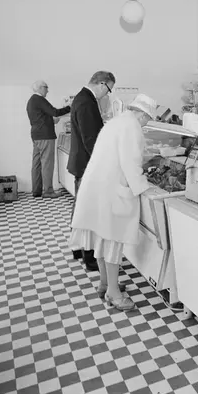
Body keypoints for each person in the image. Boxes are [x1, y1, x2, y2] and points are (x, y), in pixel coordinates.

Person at [69, 94, 159, 311]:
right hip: (112, 192)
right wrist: (144, 186)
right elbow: (131, 163)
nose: (147, 123)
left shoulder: (117, 122)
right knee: (113, 241)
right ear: (141, 114)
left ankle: (104, 283)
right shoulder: (132, 127)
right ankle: (113, 293)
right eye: (148, 118)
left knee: (102, 238)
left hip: (98, 188)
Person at [68, 70, 116, 271]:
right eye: (108, 90)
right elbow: (90, 139)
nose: (107, 94)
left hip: (81, 162)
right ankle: (89, 256)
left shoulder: (82, 98)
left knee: (80, 208)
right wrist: (102, 162)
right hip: (87, 164)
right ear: (102, 83)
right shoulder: (87, 101)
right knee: (87, 210)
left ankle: (77, 247)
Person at [26, 80, 71, 198]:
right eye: (46, 87)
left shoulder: (31, 101)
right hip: (45, 136)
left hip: (36, 135)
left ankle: (36, 190)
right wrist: (70, 107)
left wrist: (51, 120)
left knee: (37, 164)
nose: (48, 90)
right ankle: (48, 191)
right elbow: (55, 112)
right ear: (41, 88)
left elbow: (39, 117)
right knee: (47, 163)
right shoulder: (39, 99)